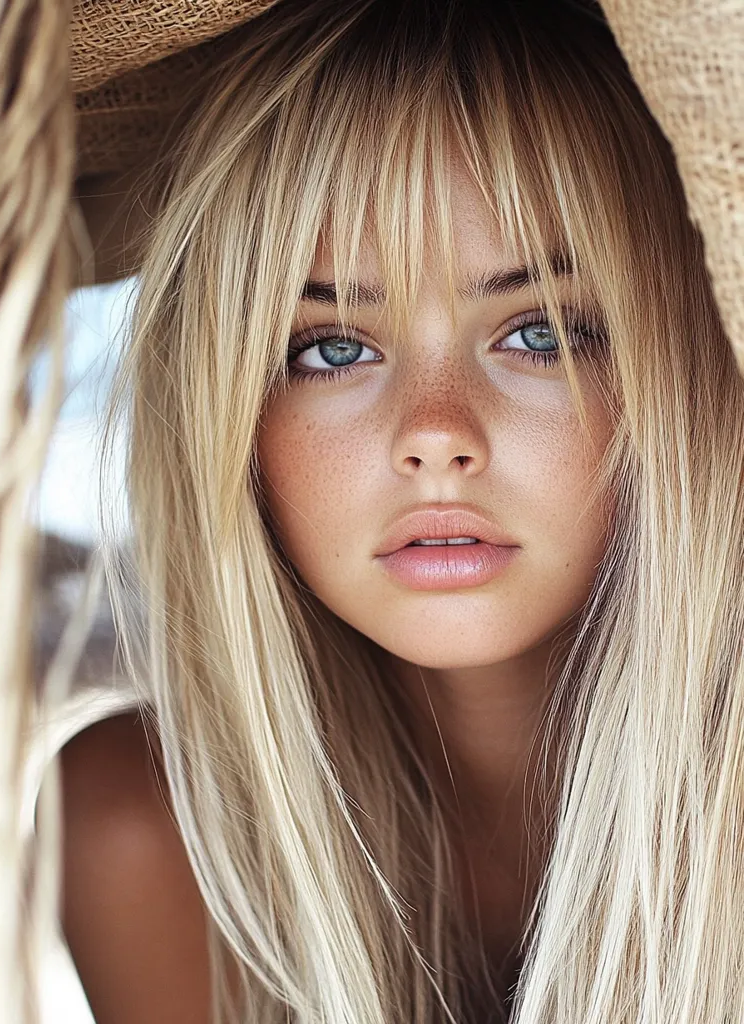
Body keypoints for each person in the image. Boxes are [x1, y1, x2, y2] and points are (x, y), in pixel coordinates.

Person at [57, 0, 744, 1021]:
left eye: (540, 333)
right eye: (334, 348)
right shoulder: (146, 831)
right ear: (228, 416)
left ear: (684, 364)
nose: (432, 434)